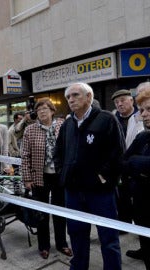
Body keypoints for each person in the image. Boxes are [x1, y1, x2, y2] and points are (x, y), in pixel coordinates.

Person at [54, 82, 125, 270]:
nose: (71, 99)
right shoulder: (67, 124)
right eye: (68, 97)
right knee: (76, 234)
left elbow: (118, 153)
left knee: (108, 237)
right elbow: (58, 152)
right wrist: (63, 173)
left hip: (100, 192)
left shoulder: (106, 119)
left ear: (89, 97)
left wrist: (103, 177)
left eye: (75, 95)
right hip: (74, 192)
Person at [21, 98, 71, 260]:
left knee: (60, 212)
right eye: (39, 109)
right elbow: (25, 156)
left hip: (59, 176)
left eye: (45, 108)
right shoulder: (30, 130)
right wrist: (27, 179)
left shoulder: (62, 125)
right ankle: (44, 246)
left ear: (52, 111)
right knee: (41, 214)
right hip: (39, 177)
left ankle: (62, 243)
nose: (42, 111)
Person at [121, 87, 150, 270]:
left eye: (149, 109)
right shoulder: (143, 137)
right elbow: (123, 162)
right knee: (144, 236)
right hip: (141, 201)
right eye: (142, 110)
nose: (144, 115)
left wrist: (136, 162)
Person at [111, 89, 144, 228]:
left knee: (138, 197)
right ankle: (124, 224)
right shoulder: (112, 117)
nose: (119, 104)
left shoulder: (141, 116)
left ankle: (141, 224)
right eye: (117, 102)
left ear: (131, 101)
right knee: (121, 196)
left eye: (123, 100)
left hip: (136, 164)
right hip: (119, 164)